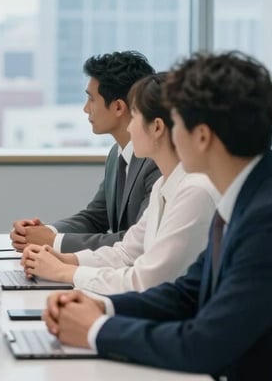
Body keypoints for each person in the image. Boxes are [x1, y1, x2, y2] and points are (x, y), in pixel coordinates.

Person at [43, 52, 272, 381]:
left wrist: (96, 330)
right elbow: (186, 294)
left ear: (202, 136)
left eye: (175, 122)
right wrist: (103, 305)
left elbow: (204, 344)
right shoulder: (247, 195)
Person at [21, 72, 218, 294]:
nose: (129, 127)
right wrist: (66, 259)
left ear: (157, 127)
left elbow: (147, 280)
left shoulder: (195, 191)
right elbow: (126, 253)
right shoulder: (163, 184)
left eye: (133, 117)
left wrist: (63, 271)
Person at [11, 51, 160, 252]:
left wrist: (52, 241)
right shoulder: (117, 154)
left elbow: (135, 242)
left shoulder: (156, 161)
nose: (85, 109)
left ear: (118, 107)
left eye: (91, 99)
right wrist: (45, 231)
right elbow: (95, 217)